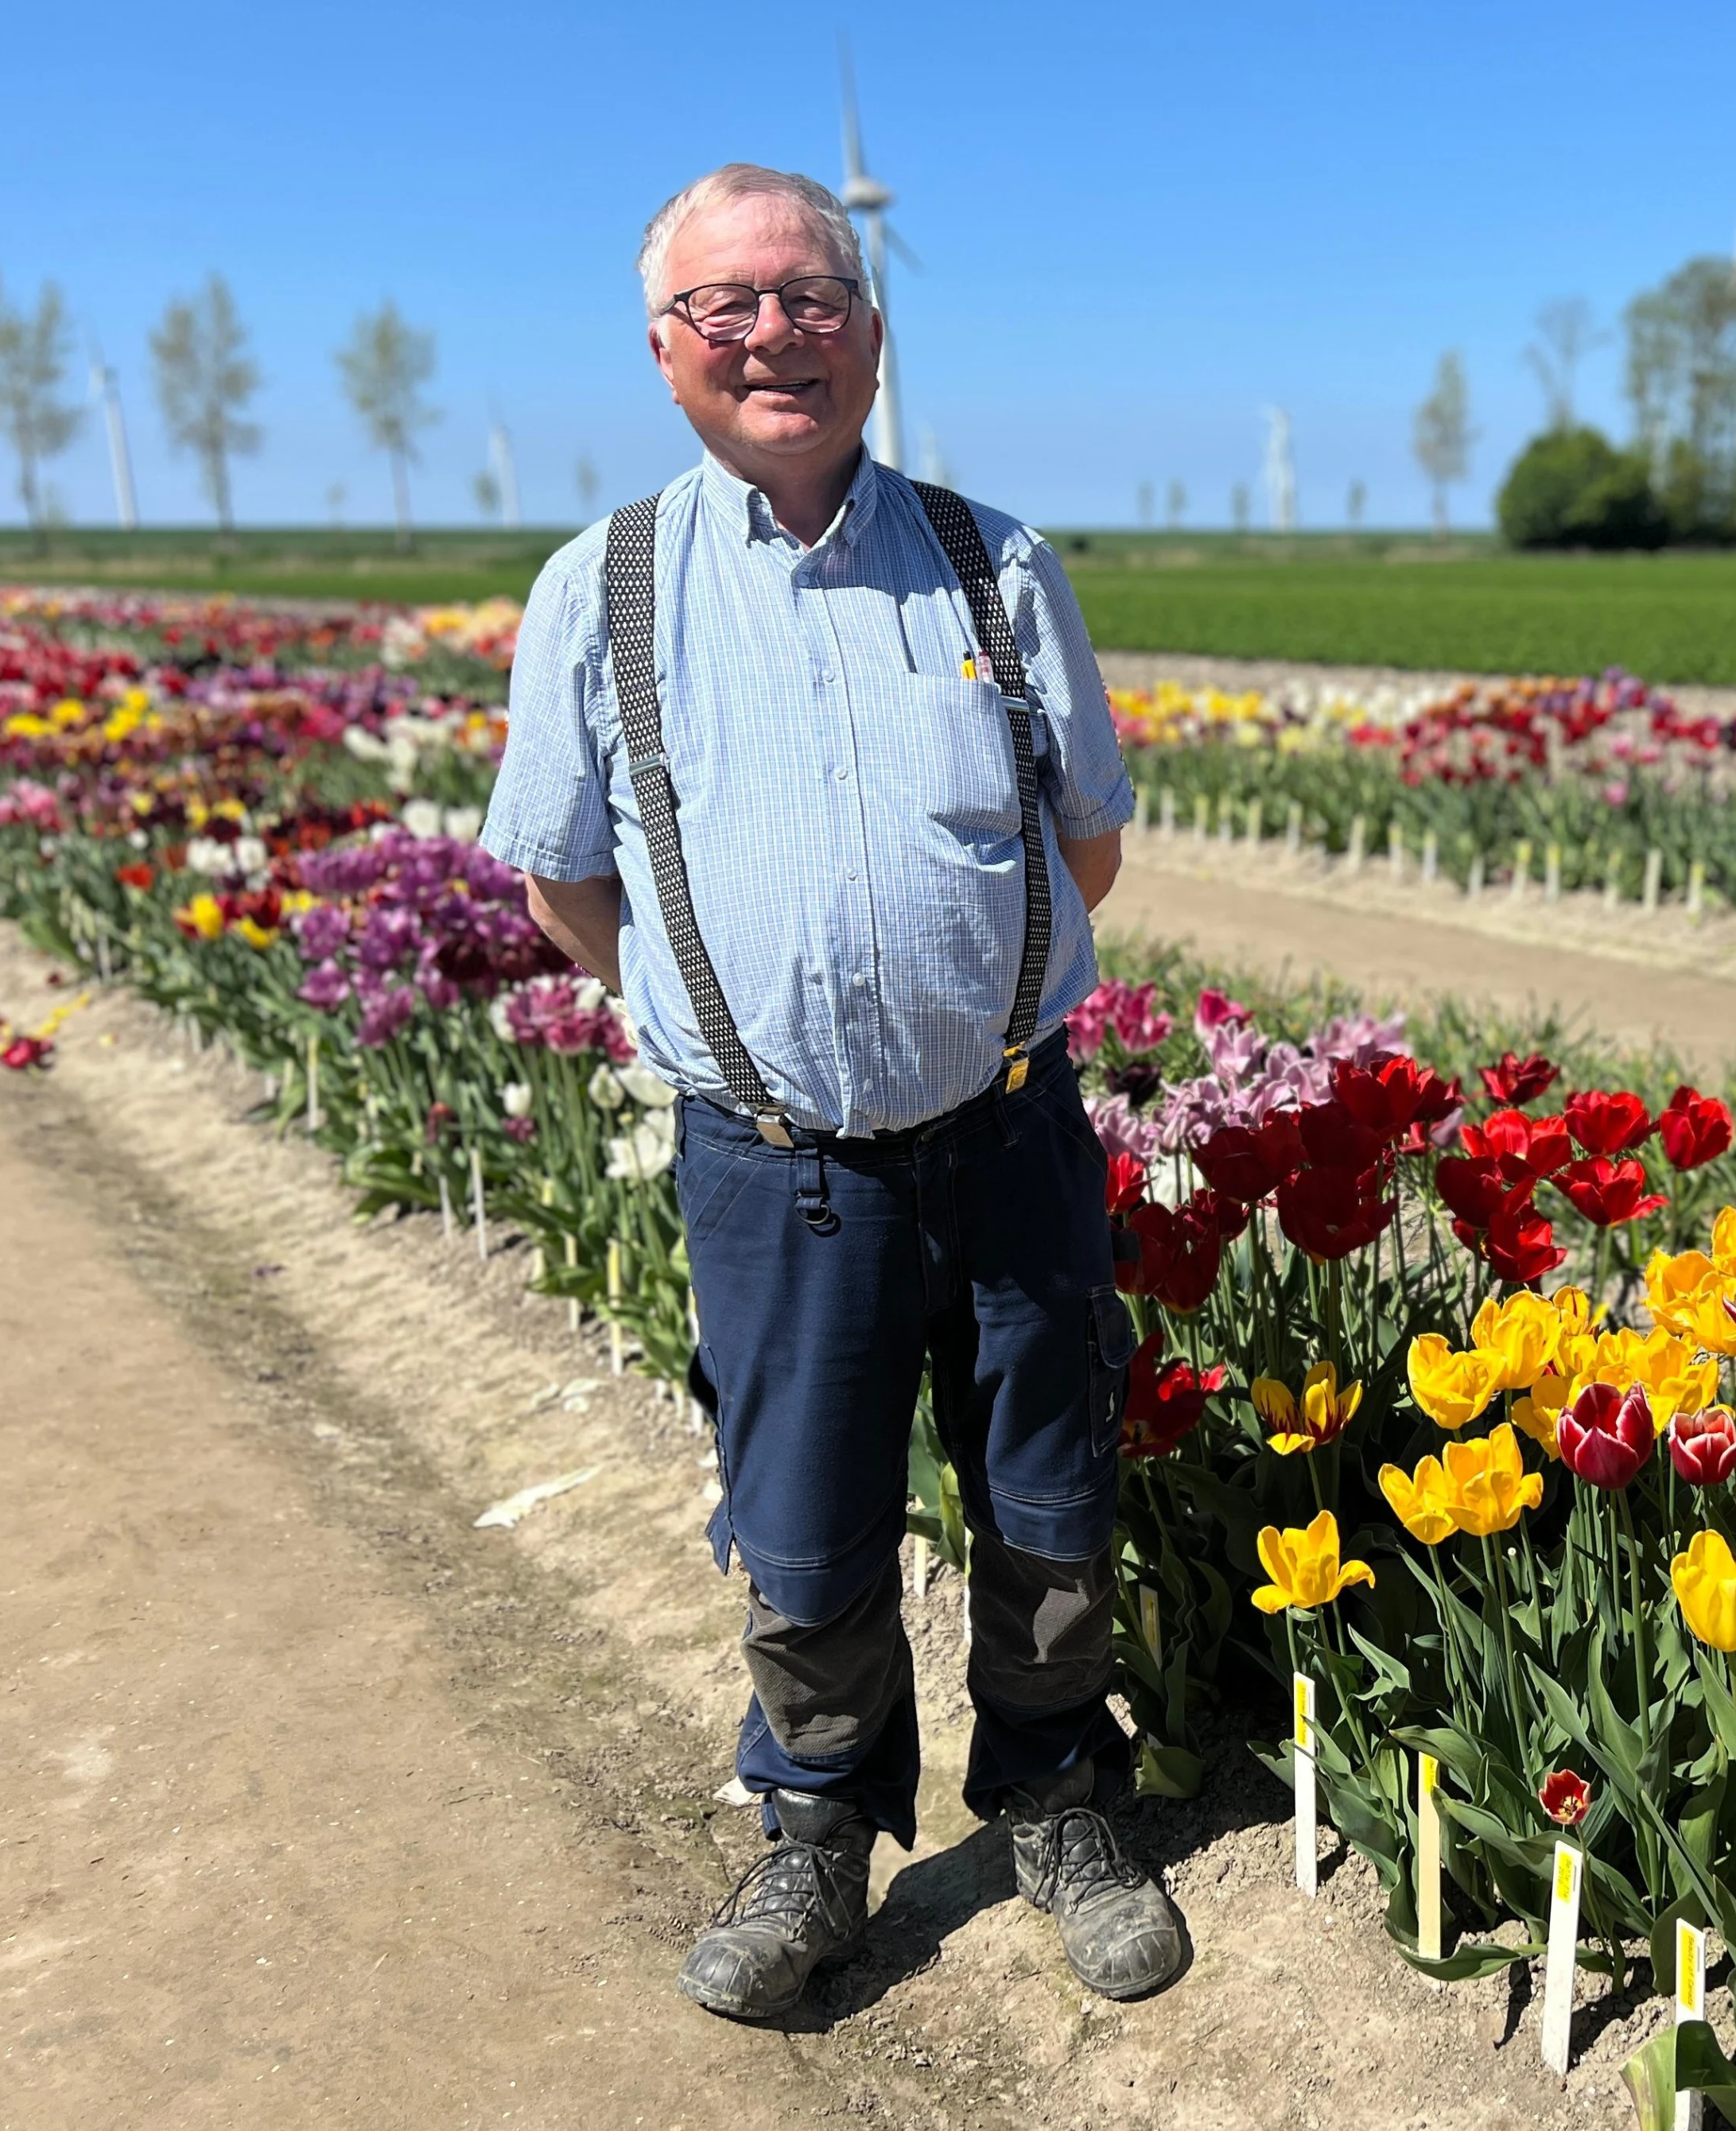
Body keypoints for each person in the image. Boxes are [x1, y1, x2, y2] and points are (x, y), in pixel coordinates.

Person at [480, 162, 1186, 2019]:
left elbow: (1085, 844)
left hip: (1010, 1130)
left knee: (1048, 1491)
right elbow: (565, 882)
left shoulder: (996, 563)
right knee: (803, 1521)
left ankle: (1059, 1796)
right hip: (777, 1164)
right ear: (663, 350)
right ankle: (816, 1829)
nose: (773, 334)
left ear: (873, 334)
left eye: (811, 296)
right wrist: (738, 1021)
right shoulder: (603, 591)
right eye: (726, 304)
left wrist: (949, 998)